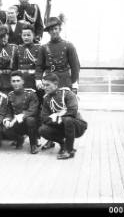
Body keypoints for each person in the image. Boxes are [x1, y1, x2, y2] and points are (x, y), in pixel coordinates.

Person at [35, 16, 81, 150]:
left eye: (55, 29)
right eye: (51, 30)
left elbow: (75, 66)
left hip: (65, 79)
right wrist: (38, 79)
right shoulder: (44, 48)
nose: (54, 32)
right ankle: (51, 139)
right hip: (49, 80)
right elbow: (39, 66)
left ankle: (67, 139)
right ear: (48, 32)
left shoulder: (68, 45)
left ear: (59, 29)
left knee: (65, 109)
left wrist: (75, 84)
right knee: (50, 108)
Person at [38, 73, 87, 159]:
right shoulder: (46, 99)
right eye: (44, 85)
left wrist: (55, 116)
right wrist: (58, 117)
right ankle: (63, 144)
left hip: (77, 125)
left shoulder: (67, 94)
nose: (45, 87)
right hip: (59, 124)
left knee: (68, 120)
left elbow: (72, 111)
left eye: (48, 85)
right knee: (42, 130)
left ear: (56, 84)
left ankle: (69, 150)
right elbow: (44, 117)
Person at [3, 71, 40, 154]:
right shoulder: (10, 95)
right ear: (10, 82)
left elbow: (32, 110)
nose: (16, 83)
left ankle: (33, 144)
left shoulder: (31, 93)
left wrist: (16, 119)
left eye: (18, 81)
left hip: (30, 123)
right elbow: (9, 111)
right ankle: (19, 138)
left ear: (23, 81)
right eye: (13, 81)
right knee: (5, 129)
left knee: (30, 120)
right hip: (17, 124)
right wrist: (7, 120)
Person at [0, 25, 18, 94]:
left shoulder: (14, 48)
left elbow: (16, 65)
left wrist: (3, 62)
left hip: (11, 79)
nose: (3, 39)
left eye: (5, 36)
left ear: (8, 36)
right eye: (1, 37)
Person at [17, 24, 41, 90]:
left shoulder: (39, 48)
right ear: (21, 36)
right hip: (21, 81)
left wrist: (38, 80)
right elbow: (15, 66)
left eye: (28, 35)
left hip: (33, 80)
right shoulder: (18, 48)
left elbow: (40, 67)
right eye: (24, 35)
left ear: (33, 35)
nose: (26, 37)